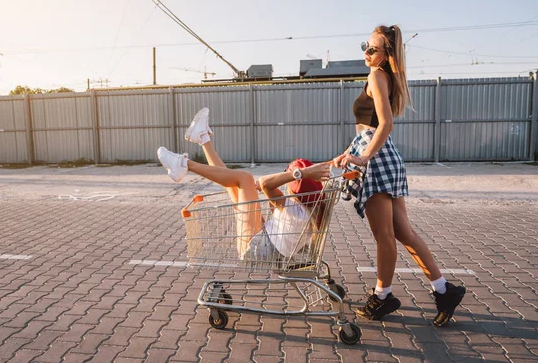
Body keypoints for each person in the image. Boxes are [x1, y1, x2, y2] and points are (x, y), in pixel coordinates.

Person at [333, 25, 466, 326]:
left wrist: (364, 157)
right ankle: (444, 291)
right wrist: (349, 151)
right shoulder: (386, 76)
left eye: (372, 49)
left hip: (378, 159)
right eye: (364, 46)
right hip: (385, 156)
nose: (366, 53)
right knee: (404, 233)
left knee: (385, 237)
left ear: (386, 54)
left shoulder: (377, 75)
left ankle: (382, 297)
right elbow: (371, 125)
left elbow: (385, 124)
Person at [157, 107, 331, 262]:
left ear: (295, 183)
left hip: (258, 247)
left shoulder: (296, 209)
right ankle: (202, 138)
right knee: (233, 183)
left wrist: (303, 173)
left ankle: (184, 164)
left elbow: (265, 183)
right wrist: (257, 190)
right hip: (264, 240)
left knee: (245, 178)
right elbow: (270, 195)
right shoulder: (306, 210)